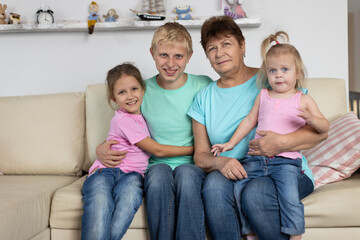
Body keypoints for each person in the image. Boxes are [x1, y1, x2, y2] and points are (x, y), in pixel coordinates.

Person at [187, 16, 327, 240]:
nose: (219, 53)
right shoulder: (203, 98)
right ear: (207, 56)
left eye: (226, 44)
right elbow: (201, 156)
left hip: (285, 168)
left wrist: (281, 142)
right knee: (213, 185)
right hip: (244, 170)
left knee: (255, 193)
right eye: (212, 48)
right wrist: (220, 161)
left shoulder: (273, 77)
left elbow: (320, 132)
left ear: (243, 45)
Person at [95, 22, 212, 240]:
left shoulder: (202, 85)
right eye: (163, 55)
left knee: (187, 176)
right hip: (156, 165)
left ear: (189, 56)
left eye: (178, 56)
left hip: (194, 164)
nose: (170, 63)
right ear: (152, 54)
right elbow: (123, 127)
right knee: (158, 177)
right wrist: (100, 148)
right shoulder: (141, 91)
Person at [81, 63, 194, 240]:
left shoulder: (142, 116)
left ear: (143, 90)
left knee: (128, 204)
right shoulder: (123, 120)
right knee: (100, 203)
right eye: (122, 92)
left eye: (134, 89)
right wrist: (196, 149)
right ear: (114, 99)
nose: (130, 96)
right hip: (105, 172)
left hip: (133, 176)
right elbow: (157, 150)